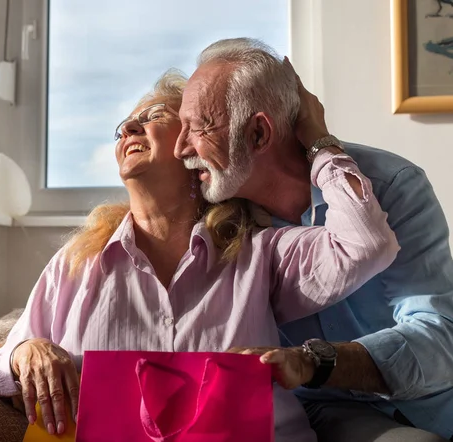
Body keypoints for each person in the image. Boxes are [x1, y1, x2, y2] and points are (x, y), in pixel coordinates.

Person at [0, 69, 398, 441]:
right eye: (124, 126)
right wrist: (26, 351)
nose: (129, 131)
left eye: (153, 116)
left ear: (192, 145)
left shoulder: (259, 252)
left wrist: (317, 140)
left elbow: (365, 243)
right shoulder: (80, 261)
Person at [174, 37, 453, 442]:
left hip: (434, 400)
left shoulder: (392, 185)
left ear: (257, 133)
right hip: (323, 412)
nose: (182, 148)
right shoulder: (217, 223)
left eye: (198, 128)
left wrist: (316, 360)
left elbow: (440, 336)